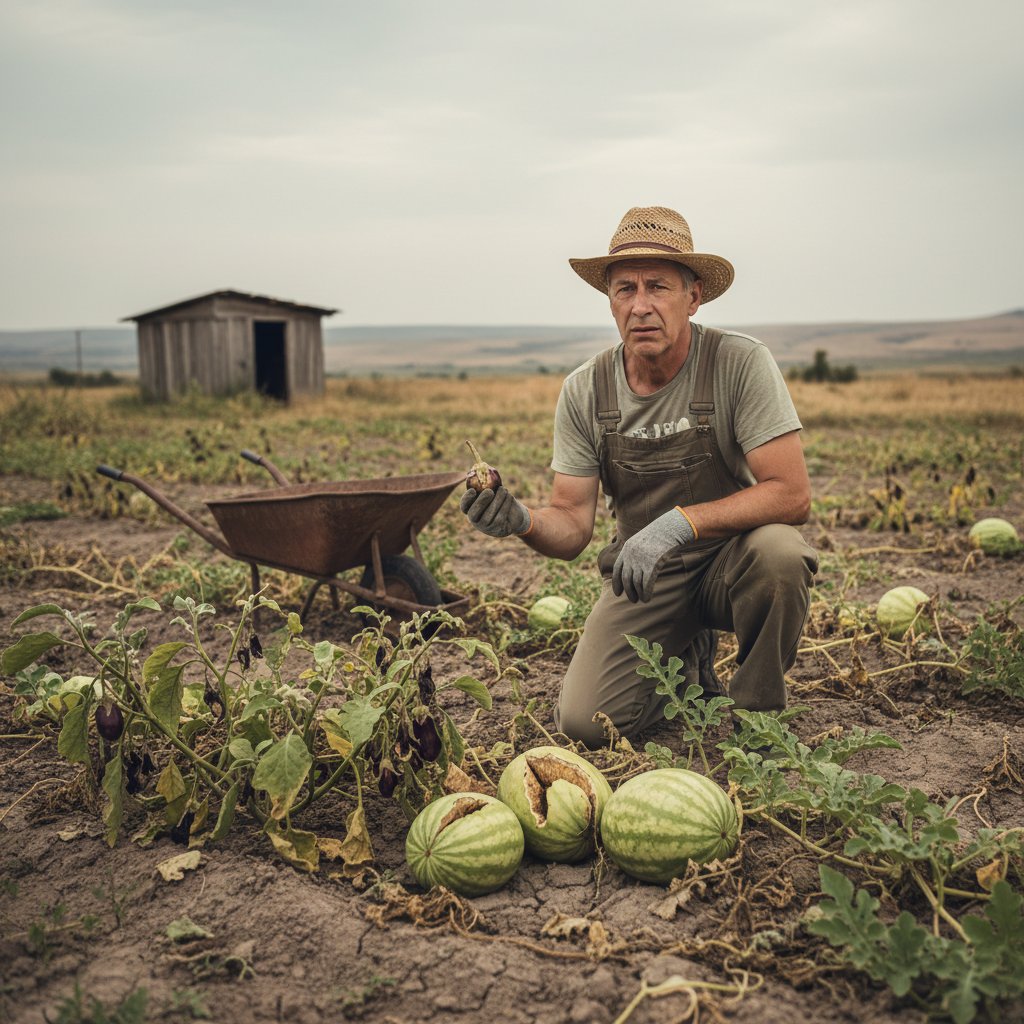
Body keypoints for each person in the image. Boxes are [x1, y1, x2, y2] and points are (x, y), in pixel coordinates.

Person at [461, 206, 818, 747]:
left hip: (732, 560)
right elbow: (572, 525)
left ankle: (756, 717)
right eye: (625, 289)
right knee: (585, 724)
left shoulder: (740, 363)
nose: (641, 306)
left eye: (659, 287)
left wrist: (679, 524)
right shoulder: (586, 390)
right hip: (646, 577)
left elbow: (792, 495)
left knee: (781, 556)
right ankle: (684, 658)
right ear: (610, 301)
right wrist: (522, 521)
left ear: (693, 296)